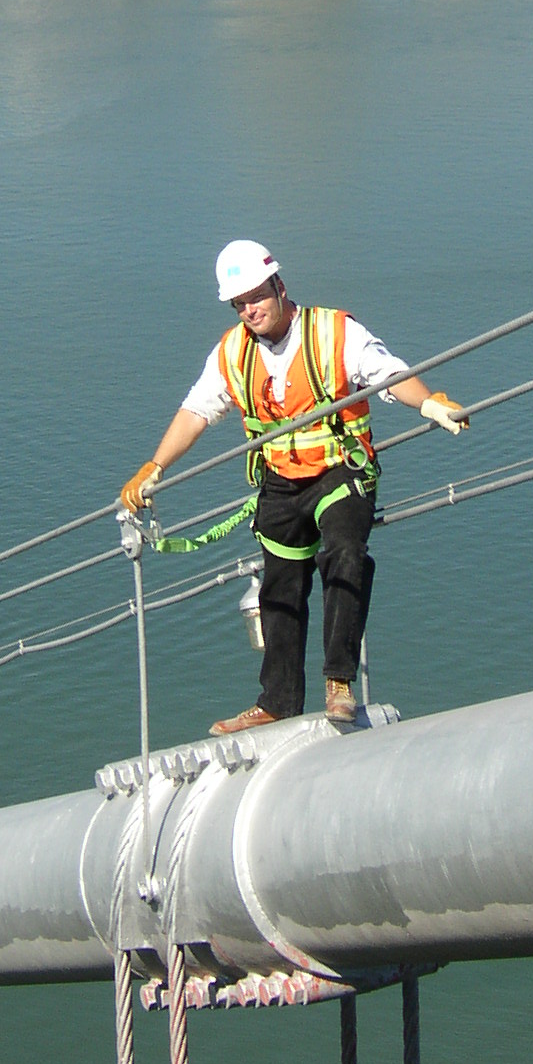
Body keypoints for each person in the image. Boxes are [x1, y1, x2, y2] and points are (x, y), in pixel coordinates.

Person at [120, 240, 467, 735]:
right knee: (280, 583)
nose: (250, 309)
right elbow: (197, 411)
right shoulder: (232, 352)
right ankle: (278, 701)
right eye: (239, 303)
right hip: (280, 481)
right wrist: (155, 467)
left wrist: (429, 403)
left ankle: (339, 682)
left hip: (339, 470)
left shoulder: (332, 333)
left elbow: (387, 375)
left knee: (345, 550)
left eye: (256, 296)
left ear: (280, 287)